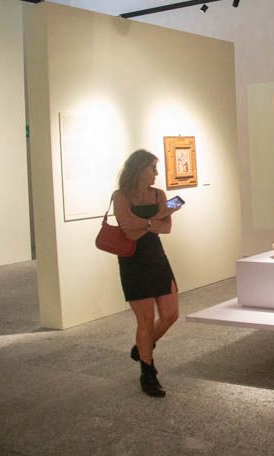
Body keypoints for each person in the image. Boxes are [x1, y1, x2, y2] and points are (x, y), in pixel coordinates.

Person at [113, 150, 182, 398]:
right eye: (152, 168)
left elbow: (167, 228)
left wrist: (144, 223)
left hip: (157, 258)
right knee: (144, 320)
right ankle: (148, 371)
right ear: (139, 169)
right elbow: (128, 232)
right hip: (133, 261)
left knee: (171, 314)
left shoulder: (159, 194)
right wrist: (154, 222)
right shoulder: (120, 196)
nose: (156, 173)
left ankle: (141, 347)